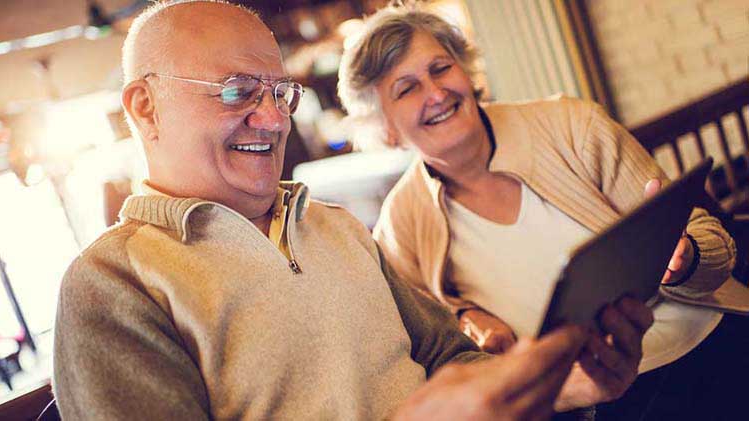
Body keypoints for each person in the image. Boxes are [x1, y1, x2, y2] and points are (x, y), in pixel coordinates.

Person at [51, 1, 654, 420]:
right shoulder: (113, 284)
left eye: (279, 91)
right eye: (236, 91)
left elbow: (449, 358)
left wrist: (566, 388)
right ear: (145, 107)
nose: (273, 118)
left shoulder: (337, 226)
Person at [337, 3, 747, 420]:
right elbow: (428, 342)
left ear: (466, 69)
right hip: (594, 405)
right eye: (407, 89)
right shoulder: (400, 225)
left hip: (708, 340)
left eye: (441, 68)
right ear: (385, 127)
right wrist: (466, 316)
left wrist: (688, 256)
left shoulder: (572, 124)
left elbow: (709, 238)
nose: (437, 94)